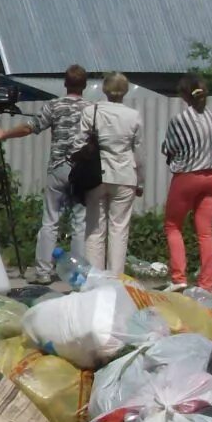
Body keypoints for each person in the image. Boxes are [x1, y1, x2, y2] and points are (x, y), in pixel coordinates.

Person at [0, 64, 89, 283]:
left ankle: (43, 272)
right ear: (85, 85)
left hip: (58, 167)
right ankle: (79, 272)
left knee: (50, 220)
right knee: (80, 222)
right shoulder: (92, 109)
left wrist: (3, 133)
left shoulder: (54, 106)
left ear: (65, 83)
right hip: (82, 169)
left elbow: (29, 127)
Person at [160, 74, 212, 293]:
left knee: (173, 225)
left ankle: (179, 278)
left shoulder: (179, 120)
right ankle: (207, 282)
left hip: (188, 176)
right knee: (205, 232)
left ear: (183, 95)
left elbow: (168, 148)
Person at [81, 73, 143, 277]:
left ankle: (94, 279)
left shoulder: (91, 112)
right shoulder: (133, 116)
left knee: (95, 229)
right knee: (119, 229)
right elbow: (138, 151)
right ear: (125, 91)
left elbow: (79, 144)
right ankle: (116, 279)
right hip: (125, 174)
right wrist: (140, 180)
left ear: (105, 90)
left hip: (95, 174)